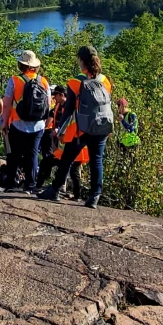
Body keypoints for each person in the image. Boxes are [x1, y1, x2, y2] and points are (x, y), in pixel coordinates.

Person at [40, 46, 114, 207]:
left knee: (67, 159)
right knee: (97, 160)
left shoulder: (75, 82)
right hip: (102, 126)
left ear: (81, 60)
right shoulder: (105, 80)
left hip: (81, 129)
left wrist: (61, 129)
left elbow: (68, 110)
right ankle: (94, 197)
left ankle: (54, 190)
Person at [0, 50, 50, 192]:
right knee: (32, 155)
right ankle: (30, 185)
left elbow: (7, 103)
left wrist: (4, 123)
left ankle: (10, 184)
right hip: (38, 125)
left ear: (21, 65)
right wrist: (44, 123)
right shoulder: (43, 81)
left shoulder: (15, 80)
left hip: (18, 124)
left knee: (13, 154)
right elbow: (48, 104)